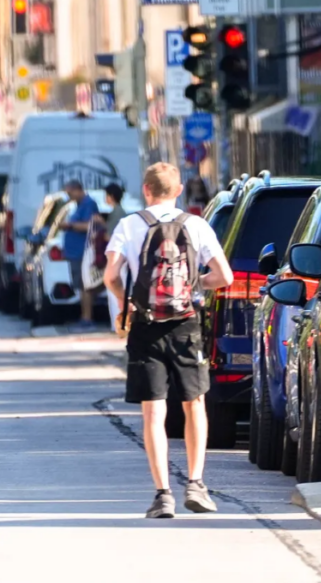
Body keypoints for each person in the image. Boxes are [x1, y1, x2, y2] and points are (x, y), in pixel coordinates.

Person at [102, 162, 233, 519]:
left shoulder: (130, 225)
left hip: (145, 326)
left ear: (146, 190)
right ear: (178, 192)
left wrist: (122, 303)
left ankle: (163, 496)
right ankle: (196, 483)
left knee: (153, 411)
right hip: (187, 325)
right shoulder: (196, 225)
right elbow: (225, 276)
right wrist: (195, 286)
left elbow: (111, 274)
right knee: (194, 404)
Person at [59, 180, 100, 329]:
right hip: (76, 253)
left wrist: (69, 225)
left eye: (70, 193)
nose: (69, 196)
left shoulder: (88, 204)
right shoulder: (77, 206)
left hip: (83, 252)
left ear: (78, 190)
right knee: (82, 286)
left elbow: (90, 225)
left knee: (86, 286)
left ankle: (87, 318)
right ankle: (84, 317)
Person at [101, 182, 127, 331]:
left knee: (114, 292)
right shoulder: (121, 213)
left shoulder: (116, 214)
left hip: (116, 258)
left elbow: (109, 236)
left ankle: (117, 325)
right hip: (122, 259)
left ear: (111, 197)